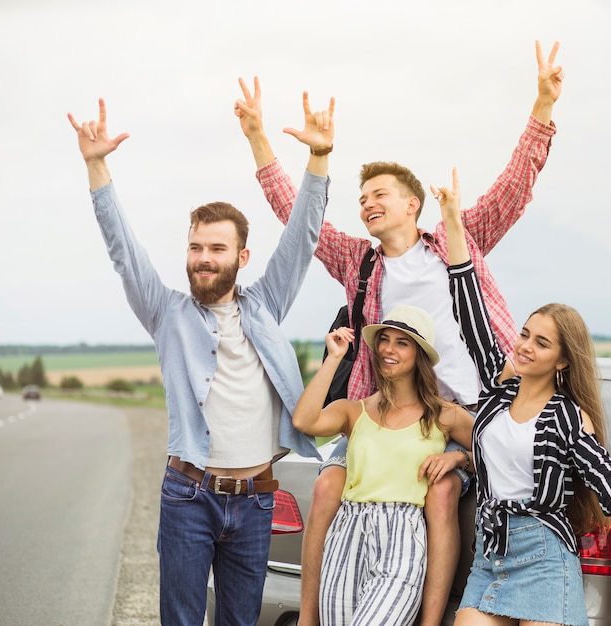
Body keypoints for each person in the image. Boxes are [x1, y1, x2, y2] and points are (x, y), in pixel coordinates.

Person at [234, 41, 564, 626]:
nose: (367, 206)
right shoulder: (360, 263)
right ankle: (310, 615)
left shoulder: (458, 242)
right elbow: (298, 218)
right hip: (392, 411)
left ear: (413, 204)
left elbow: (513, 190)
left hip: (470, 412)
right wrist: (260, 139)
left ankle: (432, 615)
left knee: (440, 492)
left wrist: (542, 106)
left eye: (379, 195)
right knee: (327, 487)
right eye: (361, 200)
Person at [67, 92, 334, 626]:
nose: (204, 259)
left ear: (241, 256)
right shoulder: (166, 312)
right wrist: (97, 165)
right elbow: (124, 251)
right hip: (189, 497)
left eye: (216, 249)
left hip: (257, 499)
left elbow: (302, 239)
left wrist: (319, 160)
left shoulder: (266, 304)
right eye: (196, 248)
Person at [435, 168, 611, 626]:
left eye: (541, 342)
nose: (525, 345)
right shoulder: (497, 395)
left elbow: (607, 484)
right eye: (525, 333)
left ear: (562, 361)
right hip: (491, 550)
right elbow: (469, 308)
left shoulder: (569, 418)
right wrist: (453, 222)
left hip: (544, 553)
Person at [292, 305, 474, 625]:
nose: (389, 349)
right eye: (385, 340)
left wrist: (459, 457)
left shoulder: (445, 415)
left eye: (402, 343)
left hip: (402, 536)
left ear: (419, 355)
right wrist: (334, 357)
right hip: (347, 533)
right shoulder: (353, 411)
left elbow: (496, 456)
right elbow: (304, 420)